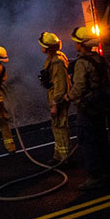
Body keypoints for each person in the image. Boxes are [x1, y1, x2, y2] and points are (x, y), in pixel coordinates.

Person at [64, 27, 110, 190]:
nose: (75, 45)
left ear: (81, 44)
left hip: (87, 107)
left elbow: (79, 86)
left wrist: (68, 97)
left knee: (87, 141)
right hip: (100, 105)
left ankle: (95, 176)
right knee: (101, 139)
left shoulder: (82, 63)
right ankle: (106, 172)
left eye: (76, 42)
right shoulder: (98, 59)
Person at [39, 31, 71, 164]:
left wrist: (55, 104)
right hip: (55, 96)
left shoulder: (57, 61)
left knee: (60, 126)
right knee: (56, 125)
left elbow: (60, 85)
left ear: (48, 47)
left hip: (58, 98)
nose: (40, 47)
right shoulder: (53, 58)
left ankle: (66, 159)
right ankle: (58, 156)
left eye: (42, 45)